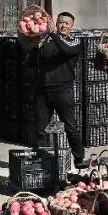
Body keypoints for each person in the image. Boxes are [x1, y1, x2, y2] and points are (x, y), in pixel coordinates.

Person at [34, 11, 87, 168]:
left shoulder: (74, 41)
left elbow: (67, 50)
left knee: (70, 126)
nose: (63, 25)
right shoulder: (47, 42)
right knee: (41, 129)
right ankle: (40, 158)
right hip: (43, 90)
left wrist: (52, 35)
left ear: (71, 26)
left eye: (66, 23)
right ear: (56, 24)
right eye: (60, 22)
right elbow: (35, 60)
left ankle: (79, 158)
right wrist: (35, 46)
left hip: (63, 90)